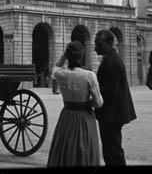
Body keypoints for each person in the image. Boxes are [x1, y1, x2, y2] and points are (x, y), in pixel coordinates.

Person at [47, 41, 103, 167]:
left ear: (68, 56)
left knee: (65, 147)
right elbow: (98, 103)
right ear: (82, 56)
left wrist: (64, 56)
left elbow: (55, 68)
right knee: (85, 147)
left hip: (67, 116)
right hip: (84, 117)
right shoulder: (89, 76)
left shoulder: (61, 74)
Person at [94, 30, 136, 166]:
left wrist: (93, 89)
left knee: (113, 151)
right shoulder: (111, 58)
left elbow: (111, 91)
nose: (95, 47)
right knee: (111, 150)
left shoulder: (111, 62)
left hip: (111, 115)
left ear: (110, 43)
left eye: (99, 44)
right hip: (112, 114)